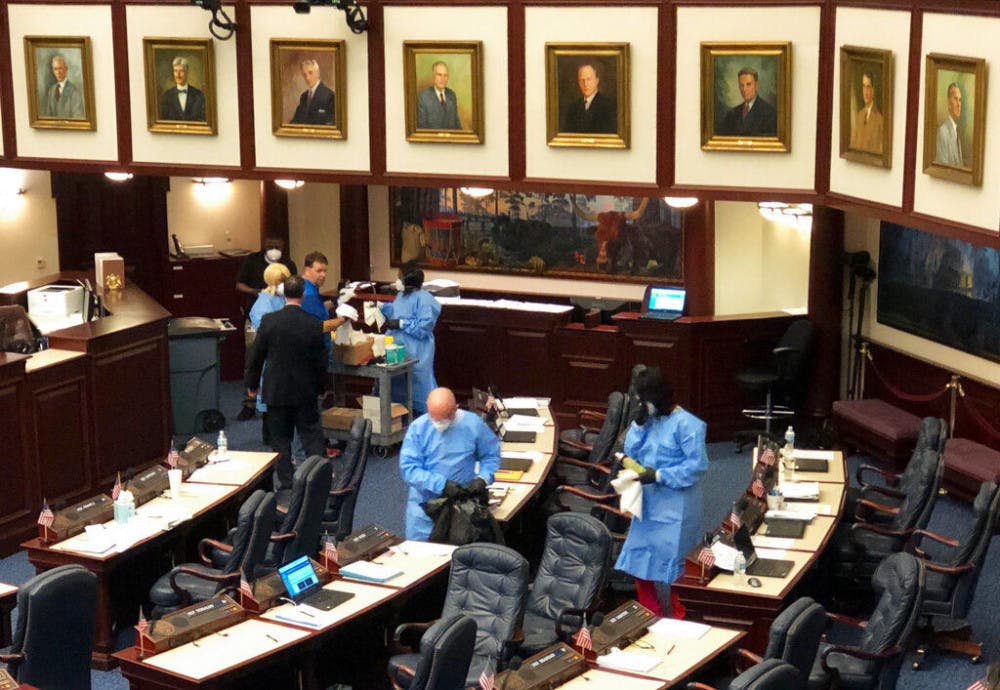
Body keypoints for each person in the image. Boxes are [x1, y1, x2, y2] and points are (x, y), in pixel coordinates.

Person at [616, 367, 708, 619]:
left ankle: (679, 616)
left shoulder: (689, 425)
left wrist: (659, 475)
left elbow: (696, 467)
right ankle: (651, 611)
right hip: (648, 503)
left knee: (675, 568)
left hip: (676, 506)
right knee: (638, 561)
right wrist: (637, 425)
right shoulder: (649, 421)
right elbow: (632, 453)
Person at [245, 275, 327, 491]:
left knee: (280, 440)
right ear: (302, 294)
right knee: (311, 436)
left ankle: (287, 482)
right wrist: (321, 388)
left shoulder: (269, 321)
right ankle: (317, 479)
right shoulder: (313, 324)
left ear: (283, 294)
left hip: (276, 390)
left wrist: (252, 384)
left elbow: (256, 356)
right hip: (305, 390)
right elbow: (321, 361)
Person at [398, 387, 500, 540]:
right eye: (434, 418)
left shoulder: (472, 425)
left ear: (456, 408)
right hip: (425, 509)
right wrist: (441, 484)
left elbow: (490, 455)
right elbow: (409, 470)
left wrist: (483, 478)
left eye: (444, 418)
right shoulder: (418, 429)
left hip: (461, 507)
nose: (438, 424)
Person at [381, 264, 442, 414]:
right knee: (395, 387)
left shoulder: (425, 299)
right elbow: (397, 311)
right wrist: (381, 307)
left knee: (419, 389)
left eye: (400, 277)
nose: (397, 280)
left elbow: (423, 327)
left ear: (407, 279)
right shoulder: (402, 296)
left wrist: (401, 323)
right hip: (397, 350)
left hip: (418, 353)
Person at [247, 262, 292, 436]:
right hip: (272, 359)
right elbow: (267, 334)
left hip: (286, 359)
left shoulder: (283, 298)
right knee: (271, 408)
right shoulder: (263, 303)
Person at [236, 237, 298, 306]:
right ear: (264, 246)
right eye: (270, 247)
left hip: (281, 304)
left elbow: (295, 286)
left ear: (282, 247)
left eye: (277, 247)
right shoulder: (252, 260)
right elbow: (239, 285)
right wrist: (254, 291)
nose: (274, 250)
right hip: (256, 303)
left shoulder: (289, 264)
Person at [719, 66, 777, 137]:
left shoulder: (769, 113)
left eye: (748, 84)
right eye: (741, 85)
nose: (744, 89)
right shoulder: (732, 114)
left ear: (756, 85)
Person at [563, 62, 617, 134]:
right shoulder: (573, 108)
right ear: (578, 83)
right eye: (582, 80)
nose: (585, 84)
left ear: (597, 81)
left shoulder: (608, 106)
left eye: (588, 79)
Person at [417, 61, 462, 130]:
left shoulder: (452, 95)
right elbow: (422, 128)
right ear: (433, 77)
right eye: (439, 75)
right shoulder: (424, 97)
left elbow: (456, 122)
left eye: (445, 75)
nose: (442, 79)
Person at [159, 57, 206, 122]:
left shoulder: (198, 95)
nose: (178, 75)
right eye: (175, 71)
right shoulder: (167, 96)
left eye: (181, 71)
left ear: (187, 72)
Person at [290, 59, 336, 126]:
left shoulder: (329, 95)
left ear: (318, 73)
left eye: (310, 73)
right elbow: (295, 121)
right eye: (304, 75)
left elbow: (331, 125)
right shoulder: (304, 96)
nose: (307, 78)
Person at [850, 71, 883, 154]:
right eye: (863, 86)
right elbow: (852, 146)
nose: (865, 92)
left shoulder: (880, 120)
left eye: (868, 87)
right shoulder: (859, 115)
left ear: (873, 90)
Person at [935, 82, 965, 167]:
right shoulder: (943, 132)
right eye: (955, 99)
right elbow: (942, 169)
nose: (959, 104)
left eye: (960, 100)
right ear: (948, 103)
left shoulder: (957, 134)